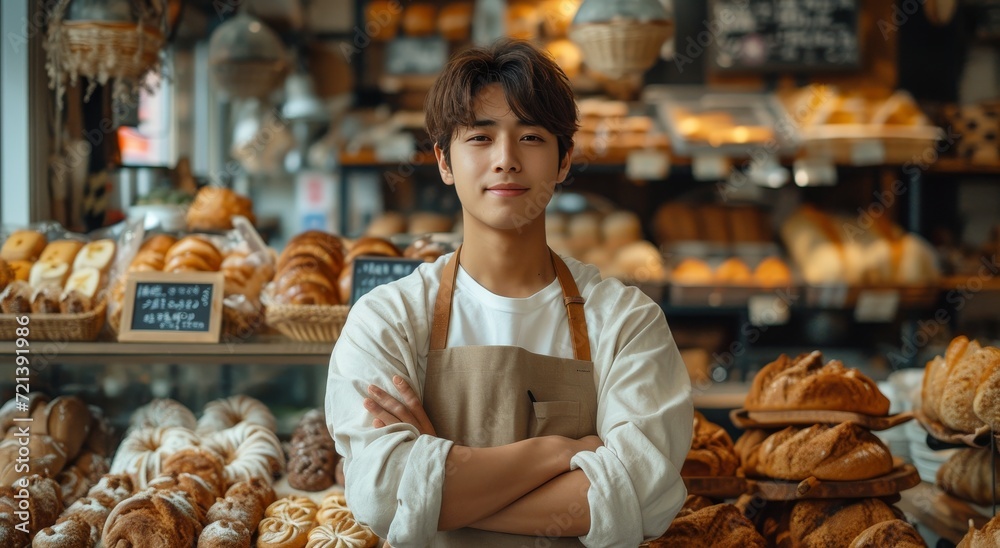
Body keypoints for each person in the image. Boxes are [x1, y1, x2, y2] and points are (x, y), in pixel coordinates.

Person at [325, 38, 693, 547]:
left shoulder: (627, 321)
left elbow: (641, 494)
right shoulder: (386, 320)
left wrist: (438, 487)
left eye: (532, 138)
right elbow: (382, 495)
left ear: (564, 161)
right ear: (444, 161)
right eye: (479, 137)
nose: (506, 160)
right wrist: (559, 454)